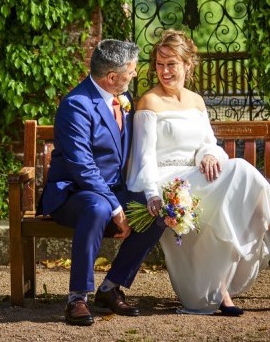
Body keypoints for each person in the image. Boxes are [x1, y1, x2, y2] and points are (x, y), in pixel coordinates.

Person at [126, 29, 270, 315]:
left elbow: (208, 144)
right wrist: (151, 195)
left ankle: (221, 291)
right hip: (165, 183)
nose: (165, 71)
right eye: (159, 64)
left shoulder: (196, 101)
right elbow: (144, 156)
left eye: (171, 64)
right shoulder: (149, 102)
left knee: (225, 206)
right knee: (241, 169)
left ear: (187, 64)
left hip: (195, 178)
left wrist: (209, 155)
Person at [40, 39, 167, 326]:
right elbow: (82, 167)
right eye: (131, 71)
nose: (134, 75)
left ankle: (110, 287)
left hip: (113, 190)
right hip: (74, 193)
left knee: (156, 212)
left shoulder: (122, 98)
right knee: (97, 208)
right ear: (111, 77)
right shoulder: (76, 105)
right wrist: (115, 207)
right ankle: (77, 298)